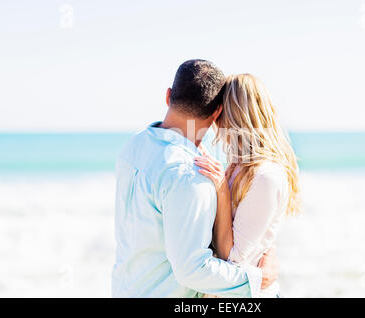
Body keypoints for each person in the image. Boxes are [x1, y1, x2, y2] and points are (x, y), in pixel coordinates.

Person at [112, 60, 278, 297]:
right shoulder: (189, 175)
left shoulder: (134, 146)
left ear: (168, 96)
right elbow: (192, 269)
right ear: (217, 113)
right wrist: (257, 279)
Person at [194, 74, 300, 297]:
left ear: (232, 115)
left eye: (219, 109)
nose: (214, 118)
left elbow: (232, 258)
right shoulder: (238, 165)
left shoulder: (265, 177)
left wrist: (222, 190)